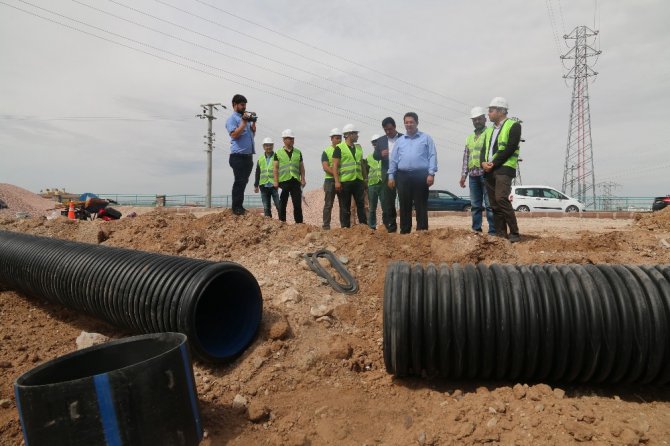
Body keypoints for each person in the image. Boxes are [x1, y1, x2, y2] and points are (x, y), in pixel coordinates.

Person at [387, 112, 438, 234]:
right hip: (403, 176)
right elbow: (393, 159)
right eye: (406, 122)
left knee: (421, 204)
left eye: (411, 122)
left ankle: (422, 231)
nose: (409, 124)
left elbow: (432, 156)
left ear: (417, 123)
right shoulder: (400, 141)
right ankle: (405, 231)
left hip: (421, 175)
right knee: (404, 205)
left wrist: (431, 173)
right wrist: (391, 176)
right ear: (404, 124)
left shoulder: (426, 138)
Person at [481, 97, 521, 242]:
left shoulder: (513, 125)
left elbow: (510, 147)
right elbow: (483, 150)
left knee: (501, 198)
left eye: (491, 110)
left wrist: (494, 163)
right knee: (494, 204)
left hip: (504, 168)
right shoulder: (489, 131)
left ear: (500, 111)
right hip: (489, 170)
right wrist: (483, 164)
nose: (489, 114)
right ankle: (501, 234)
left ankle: (514, 233)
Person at [460, 107, 496, 234]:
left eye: (479, 119)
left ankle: (493, 231)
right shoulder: (469, 138)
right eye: (474, 120)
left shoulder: (490, 132)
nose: (477, 121)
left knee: (489, 205)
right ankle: (476, 230)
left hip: (486, 174)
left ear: (485, 119)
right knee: (475, 205)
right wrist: (463, 175)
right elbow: (466, 157)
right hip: (473, 175)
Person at [225, 94, 256, 215]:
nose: (244, 107)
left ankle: (240, 206)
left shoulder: (245, 119)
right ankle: (236, 208)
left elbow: (250, 137)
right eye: (242, 105)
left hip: (248, 156)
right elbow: (234, 135)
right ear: (234, 105)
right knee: (239, 181)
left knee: (244, 181)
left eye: (245, 105)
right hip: (237, 156)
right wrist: (243, 123)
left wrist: (253, 126)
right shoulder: (233, 119)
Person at [333, 124, 367, 228]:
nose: (357, 136)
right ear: (348, 135)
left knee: (361, 205)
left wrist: (365, 179)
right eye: (355, 133)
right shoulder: (339, 148)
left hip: (358, 181)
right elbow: (335, 166)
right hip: (345, 182)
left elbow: (362, 165)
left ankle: (363, 227)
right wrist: (337, 181)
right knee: (345, 206)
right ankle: (345, 228)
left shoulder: (359, 148)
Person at [373, 117, 402, 232]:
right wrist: (380, 154)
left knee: (404, 200)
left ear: (394, 127)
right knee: (388, 201)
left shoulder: (403, 138)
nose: (388, 132)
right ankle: (390, 227)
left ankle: (405, 227)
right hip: (387, 174)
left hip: (401, 173)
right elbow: (375, 156)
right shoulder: (380, 141)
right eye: (386, 130)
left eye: (390, 129)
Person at [273, 129, 305, 223]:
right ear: (284, 140)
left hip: (295, 181)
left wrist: (303, 178)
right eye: (289, 138)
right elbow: (275, 168)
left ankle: (299, 223)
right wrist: (275, 181)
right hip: (283, 182)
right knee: (282, 203)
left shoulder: (298, 152)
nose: (291, 140)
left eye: (292, 138)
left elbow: (301, 167)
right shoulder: (278, 153)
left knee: (297, 204)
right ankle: (282, 222)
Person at [321, 128, 342, 230]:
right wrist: (336, 174)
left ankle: (344, 225)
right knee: (328, 204)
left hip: (343, 180)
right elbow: (325, 167)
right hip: (330, 181)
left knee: (343, 205)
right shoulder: (326, 151)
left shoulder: (343, 149)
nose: (339, 140)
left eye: (340, 138)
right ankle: (326, 226)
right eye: (337, 138)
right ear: (331, 139)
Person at [254, 137, 280, 218]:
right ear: (263, 147)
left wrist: (280, 183)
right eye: (266, 145)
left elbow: (280, 170)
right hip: (263, 185)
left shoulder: (277, 157)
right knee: (266, 207)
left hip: (274, 185)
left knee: (279, 205)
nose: (268, 147)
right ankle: (268, 224)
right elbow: (258, 172)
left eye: (270, 145)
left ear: (273, 146)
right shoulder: (260, 159)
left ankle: (282, 222)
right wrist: (256, 185)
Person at [366, 135, 383, 229]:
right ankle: (372, 227)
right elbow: (365, 171)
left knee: (385, 207)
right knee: (372, 208)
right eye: (374, 142)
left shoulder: (385, 156)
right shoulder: (369, 158)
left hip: (383, 184)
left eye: (377, 141)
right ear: (372, 144)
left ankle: (386, 226)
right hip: (372, 185)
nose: (376, 144)